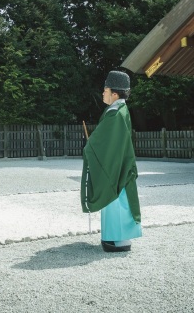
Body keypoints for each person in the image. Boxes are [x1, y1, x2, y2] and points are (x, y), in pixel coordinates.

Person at [81, 70, 142, 252]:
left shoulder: (115, 113)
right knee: (119, 199)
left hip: (115, 168)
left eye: (105, 90)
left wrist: (90, 146)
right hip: (119, 163)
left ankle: (117, 239)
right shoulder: (120, 110)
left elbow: (103, 141)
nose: (103, 93)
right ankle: (114, 238)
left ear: (114, 93)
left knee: (115, 198)